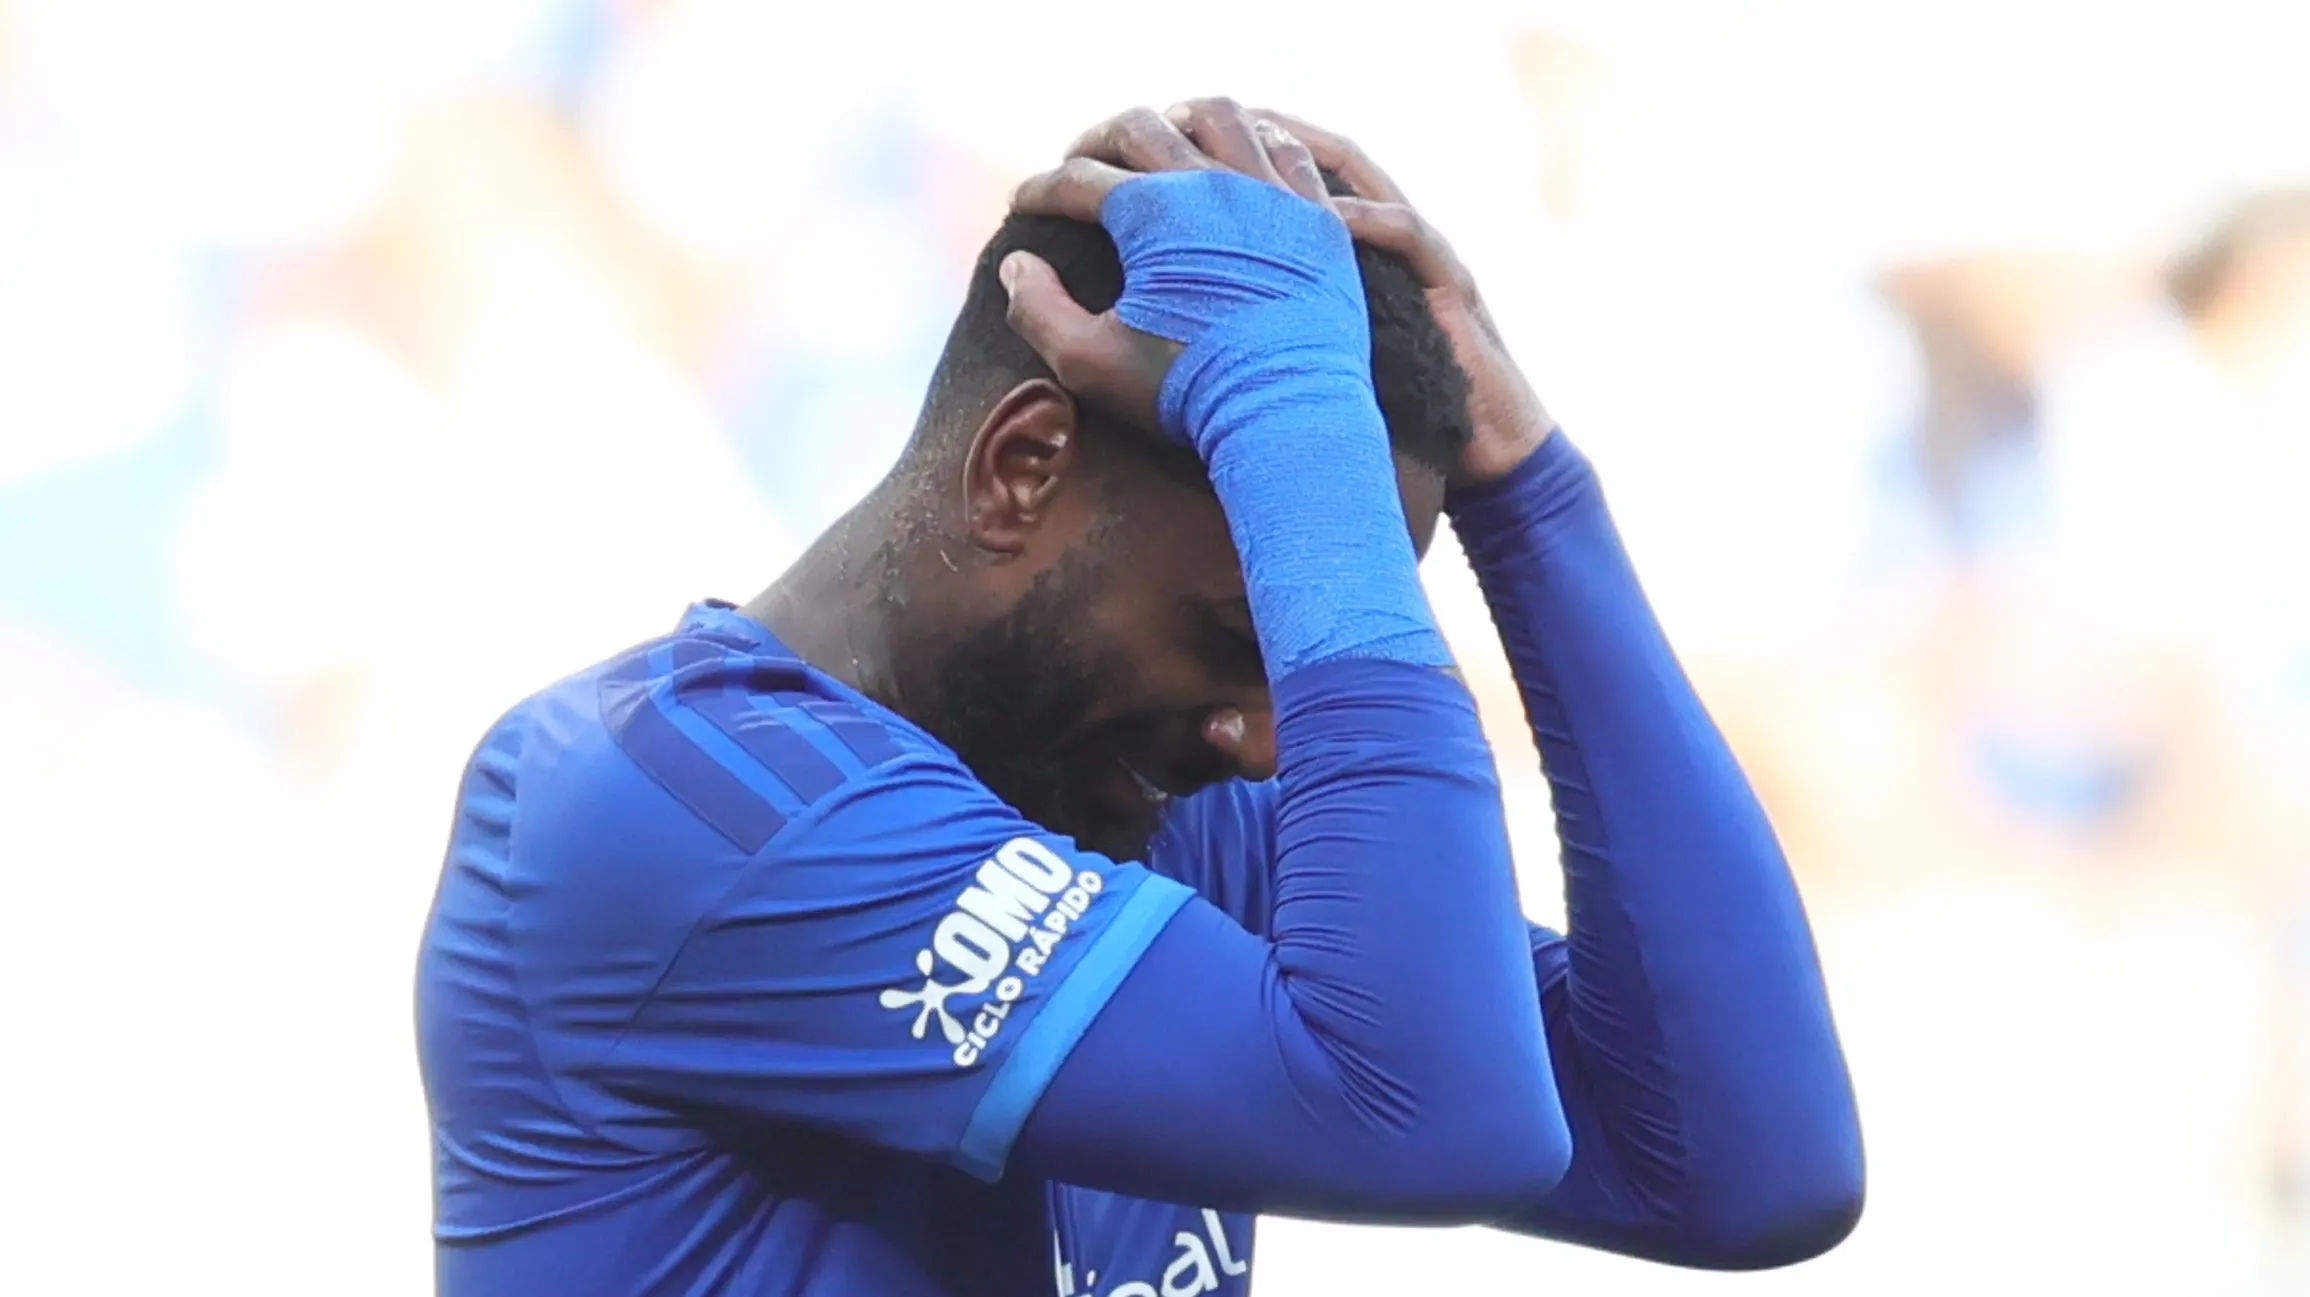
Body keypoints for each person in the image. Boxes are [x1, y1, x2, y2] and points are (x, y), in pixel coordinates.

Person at [416, 100, 1863, 1296]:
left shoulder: (1159, 816)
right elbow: (1436, 1119)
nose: (1266, 736)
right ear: (1019, 467)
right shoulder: (682, 804)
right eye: (1236, 632)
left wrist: (1533, 507)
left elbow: (1744, 1167)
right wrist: (1292, 434)